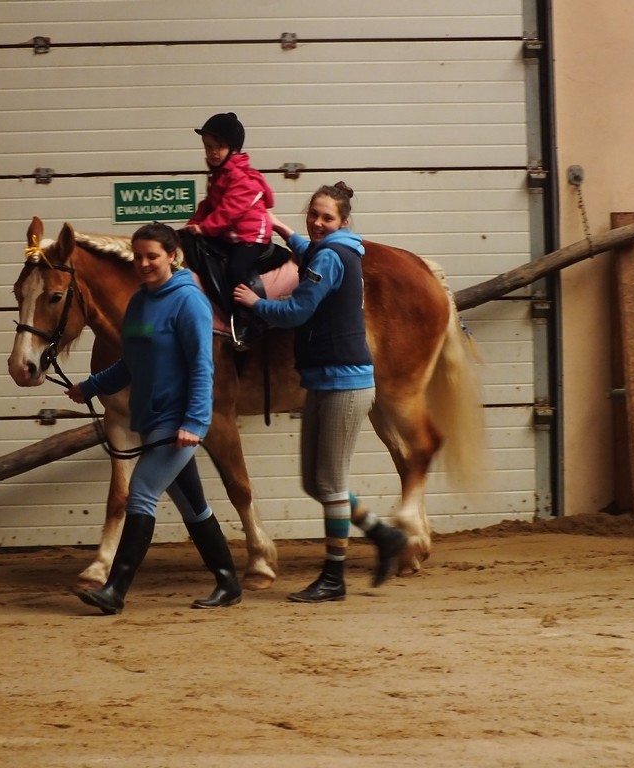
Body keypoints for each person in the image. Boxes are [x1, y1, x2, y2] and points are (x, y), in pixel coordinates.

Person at [232, 182, 407, 603]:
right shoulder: (330, 250)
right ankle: (383, 535)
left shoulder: (330, 256)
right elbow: (310, 251)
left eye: (327, 217)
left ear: (343, 222)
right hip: (323, 380)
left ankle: (334, 577)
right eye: (313, 214)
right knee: (314, 482)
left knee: (329, 484)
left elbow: (298, 310)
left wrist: (254, 304)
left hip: (344, 383)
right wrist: (282, 230)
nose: (317, 222)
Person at [66, 222, 241, 614]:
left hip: (177, 421)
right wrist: (90, 387)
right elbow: (131, 362)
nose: (144, 263)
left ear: (171, 256)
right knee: (195, 507)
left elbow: (202, 367)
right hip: (149, 419)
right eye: (138, 256)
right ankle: (228, 582)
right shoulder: (140, 303)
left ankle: (115, 590)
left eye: (152, 256)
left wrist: (195, 422)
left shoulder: (189, 302)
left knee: (142, 493)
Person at [184, 111, 277, 350]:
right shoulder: (218, 175)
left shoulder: (241, 178)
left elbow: (229, 211)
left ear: (233, 149)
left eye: (220, 147)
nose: (213, 152)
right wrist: (191, 224)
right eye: (208, 146)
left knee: (236, 269)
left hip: (250, 236)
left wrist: (204, 228)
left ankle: (249, 319)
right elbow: (208, 205)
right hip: (229, 234)